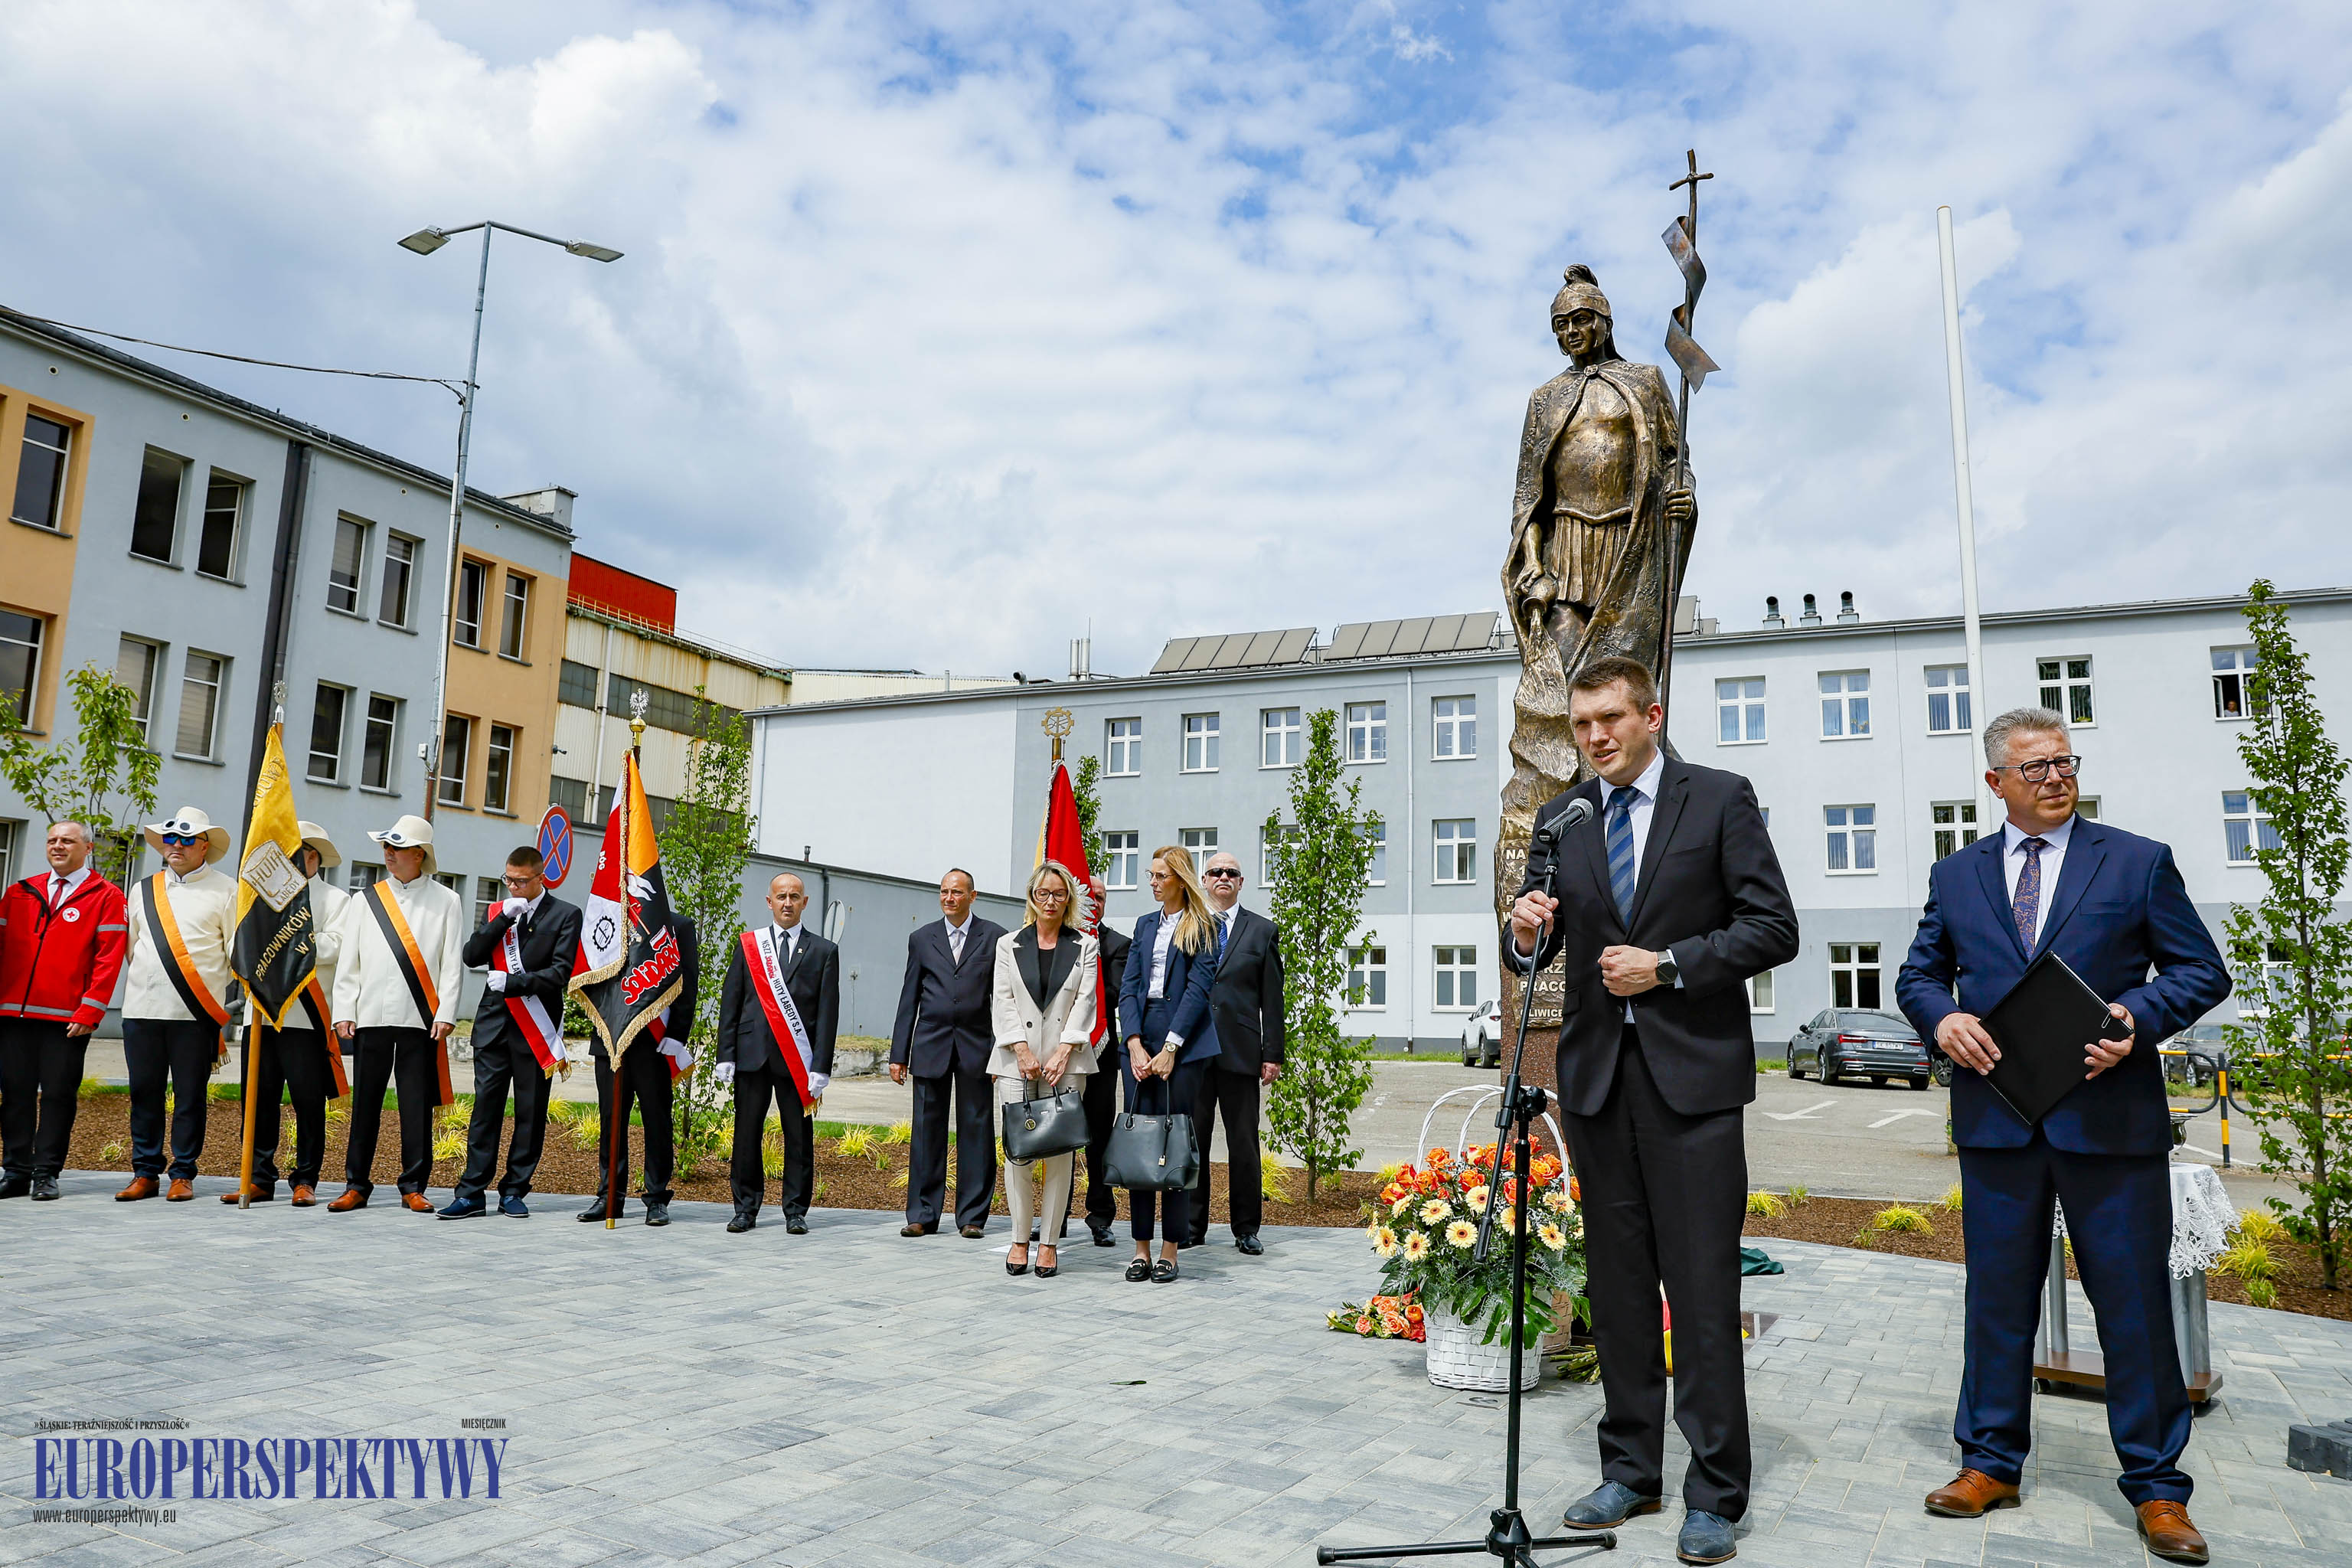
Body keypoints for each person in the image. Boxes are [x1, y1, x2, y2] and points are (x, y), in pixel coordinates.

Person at [1896, 708, 2229, 1566]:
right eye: (2035, 766)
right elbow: (1919, 973)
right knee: (1996, 1302)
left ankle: (2158, 1486)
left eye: (2064, 761)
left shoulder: (2136, 860)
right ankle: (1990, 1462)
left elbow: (2201, 968)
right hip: (1999, 1123)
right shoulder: (1957, 873)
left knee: (2134, 1307)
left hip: (2108, 1123)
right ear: (1995, 782)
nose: (2054, 776)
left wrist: (2135, 1018)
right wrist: (1945, 1020)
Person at [1505, 655, 1795, 1566]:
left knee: (1703, 1290)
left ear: (1652, 714)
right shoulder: (1565, 816)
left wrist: (1666, 964)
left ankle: (1716, 1491)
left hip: (1694, 1083)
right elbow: (1542, 943)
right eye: (1581, 724)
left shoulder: (1718, 798)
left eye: (1608, 719)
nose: (1593, 736)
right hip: (1597, 1083)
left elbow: (1773, 926)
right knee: (1620, 1288)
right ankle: (1631, 1467)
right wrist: (1524, 936)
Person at [329, 815, 465, 1214]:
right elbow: (348, 962)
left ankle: (413, 1186)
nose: (388, 854)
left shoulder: (447, 901)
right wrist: (344, 1010)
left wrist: (446, 1012)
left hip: (419, 1017)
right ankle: (356, 1184)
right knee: (365, 1104)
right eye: (386, 847)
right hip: (369, 1014)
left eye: (397, 847)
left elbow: (451, 964)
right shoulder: (364, 899)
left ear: (419, 854)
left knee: (416, 1105)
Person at [441, 846, 582, 1220]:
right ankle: (471, 1193)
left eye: (521, 881)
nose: (514, 887)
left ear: (541, 878)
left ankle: (515, 1191)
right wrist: (501, 921)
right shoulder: (497, 912)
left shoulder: (566, 915)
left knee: (530, 1113)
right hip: (493, 1027)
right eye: (509, 880)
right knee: (484, 1112)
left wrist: (515, 982)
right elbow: (471, 955)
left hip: (535, 1029)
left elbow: (560, 973)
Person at [117, 806, 239, 1203]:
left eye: (187, 840)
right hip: (142, 1010)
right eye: (170, 839)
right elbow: (133, 948)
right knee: (144, 1093)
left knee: (189, 1096)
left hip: (195, 1014)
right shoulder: (142, 889)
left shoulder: (227, 890)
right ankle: (145, 1171)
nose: (177, 846)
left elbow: (234, 953)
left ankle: (183, 1172)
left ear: (204, 846)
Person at [0, 822, 127, 1201]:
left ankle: (46, 1173)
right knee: (15, 1094)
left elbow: (109, 957)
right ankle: (16, 1170)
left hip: (68, 1019)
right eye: (53, 840)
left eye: (68, 841)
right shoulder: (19, 893)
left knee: (58, 1095)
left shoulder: (106, 896)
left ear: (87, 849)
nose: (58, 846)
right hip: (12, 1015)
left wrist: (91, 1009)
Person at [224, 822, 348, 1206]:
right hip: (260, 1016)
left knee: (308, 1103)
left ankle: (305, 1178)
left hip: (306, 1019)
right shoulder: (256, 898)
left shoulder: (336, 899)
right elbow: (234, 945)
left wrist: (291, 942)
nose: (294, 861)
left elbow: (336, 947)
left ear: (315, 858)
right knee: (257, 1101)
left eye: (301, 854)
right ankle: (259, 1177)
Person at [988, 860, 1099, 1279]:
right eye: (1042, 894)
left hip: (1065, 1067)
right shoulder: (1007, 944)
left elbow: (1086, 1001)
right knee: (1018, 1153)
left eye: (1058, 893)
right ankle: (1020, 1239)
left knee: (1060, 1154)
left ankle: (1049, 1243)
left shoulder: (1086, 946)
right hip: (1017, 1061)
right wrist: (1021, 1049)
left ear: (1068, 897)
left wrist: (1064, 1050)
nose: (1050, 901)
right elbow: (1002, 1001)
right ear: (1032, 898)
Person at [1116, 844, 1221, 1284]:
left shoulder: (1203, 926)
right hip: (1141, 1039)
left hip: (1185, 1044)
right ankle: (1140, 1248)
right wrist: (1135, 1044)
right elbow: (1129, 987)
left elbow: (1199, 990)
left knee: (1172, 1146)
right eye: (1151, 875)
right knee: (1141, 1145)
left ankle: (1170, 1250)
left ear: (1180, 879)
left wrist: (1171, 1048)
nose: (1153, 882)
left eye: (1160, 875)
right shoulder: (1143, 925)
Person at [888, 869, 1006, 1239]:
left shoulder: (995, 938)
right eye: (944, 892)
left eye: (957, 892)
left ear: (973, 896)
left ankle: (972, 1216)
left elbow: (1001, 1001)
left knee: (976, 1131)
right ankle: (922, 1213)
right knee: (926, 1131)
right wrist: (898, 1053)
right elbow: (909, 997)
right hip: (930, 1046)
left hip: (977, 1048)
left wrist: (1002, 1053)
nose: (949, 898)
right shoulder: (922, 939)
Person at [718, 873, 838, 1234]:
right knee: (746, 1133)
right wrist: (726, 1053)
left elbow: (828, 1013)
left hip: (796, 1061)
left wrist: (821, 1065)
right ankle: (745, 1208)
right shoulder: (750, 945)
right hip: (752, 1055)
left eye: (795, 896)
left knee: (798, 1137)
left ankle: (796, 1210)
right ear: (769, 902)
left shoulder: (823, 951)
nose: (788, 902)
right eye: (781, 896)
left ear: (805, 903)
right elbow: (732, 1001)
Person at [1184, 850, 1285, 1255]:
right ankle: (1192, 1225)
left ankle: (1246, 1228)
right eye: (1215, 872)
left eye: (1232, 873)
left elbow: (1272, 999)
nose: (1223, 877)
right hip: (1193, 1051)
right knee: (1195, 1141)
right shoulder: (1189, 928)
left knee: (1243, 1141)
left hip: (1242, 1053)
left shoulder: (1261, 931)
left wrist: (1272, 1053)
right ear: (1205, 881)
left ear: (1241, 883)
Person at [583, 914, 698, 1227]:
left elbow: (687, 983)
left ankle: (657, 1198)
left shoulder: (677, 926)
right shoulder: (605, 916)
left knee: (657, 1120)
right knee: (611, 1119)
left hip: (654, 1042)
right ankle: (609, 1196)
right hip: (611, 1038)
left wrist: (677, 1035)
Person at [1077, 877, 1131, 1248]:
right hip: (1059, 1054)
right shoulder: (1059, 942)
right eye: (1089, 896)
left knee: (1098, 1138)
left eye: (1101, 897)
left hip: (1100, 1053)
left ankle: (1100, 1216)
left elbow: (1113, 993)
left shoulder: (1118, 945)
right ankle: (1054, 1217)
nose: (1095, 902)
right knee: (1058, 1136)